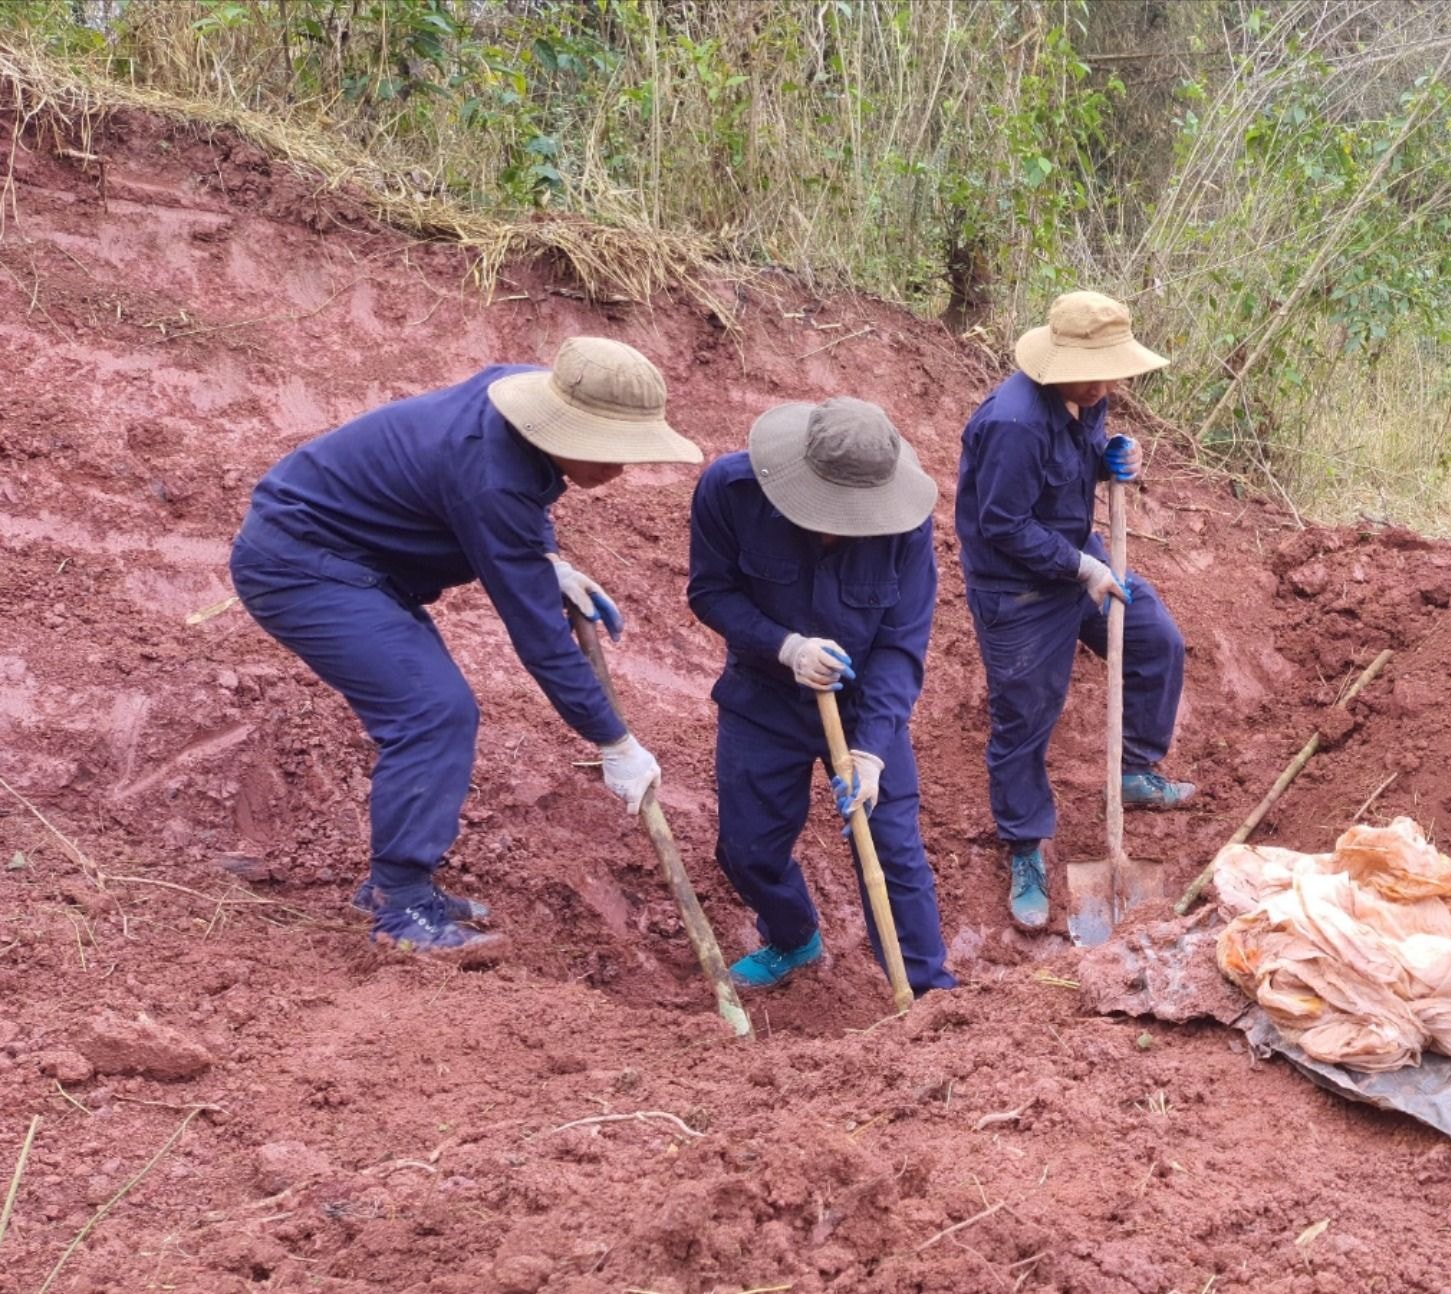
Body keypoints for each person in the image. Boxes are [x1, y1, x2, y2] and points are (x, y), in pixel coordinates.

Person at [228, 337, 700, 952]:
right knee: (431, 712)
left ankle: (395, 888)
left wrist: (548, 560)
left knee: (437, 710)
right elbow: (540, 640)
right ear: (559, 424)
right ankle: (401, 908)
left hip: (356, 559)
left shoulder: (528, 396)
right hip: (300, 564)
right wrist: (615, 742)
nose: (619, 469)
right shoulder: (489, 476)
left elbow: (522, 500)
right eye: (607, 448)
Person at [685, 397, 954, 995]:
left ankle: (929, 995)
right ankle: (792, 936)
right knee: (747, 847)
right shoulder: (730, 490)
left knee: (891, 848)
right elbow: (710, 591)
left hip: (863, 705)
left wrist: (873, 752)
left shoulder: (907, 525)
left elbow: (901, 645)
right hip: (763, 691)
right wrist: (784, 647)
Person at [955, 290, 1194, 929]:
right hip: (1018, 589)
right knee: (1025, 717)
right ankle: (1025, 848)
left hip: (1077, 556)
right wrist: (1084, 568)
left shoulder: (1087, 396)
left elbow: (1076, 465)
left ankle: (1134, 768)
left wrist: (1115, 457)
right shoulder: (1012, 425)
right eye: (1098, 372)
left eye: (1114, 371)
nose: (1108, 385)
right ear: (1059, 363)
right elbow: (1003, 524)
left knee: (1155, 641)